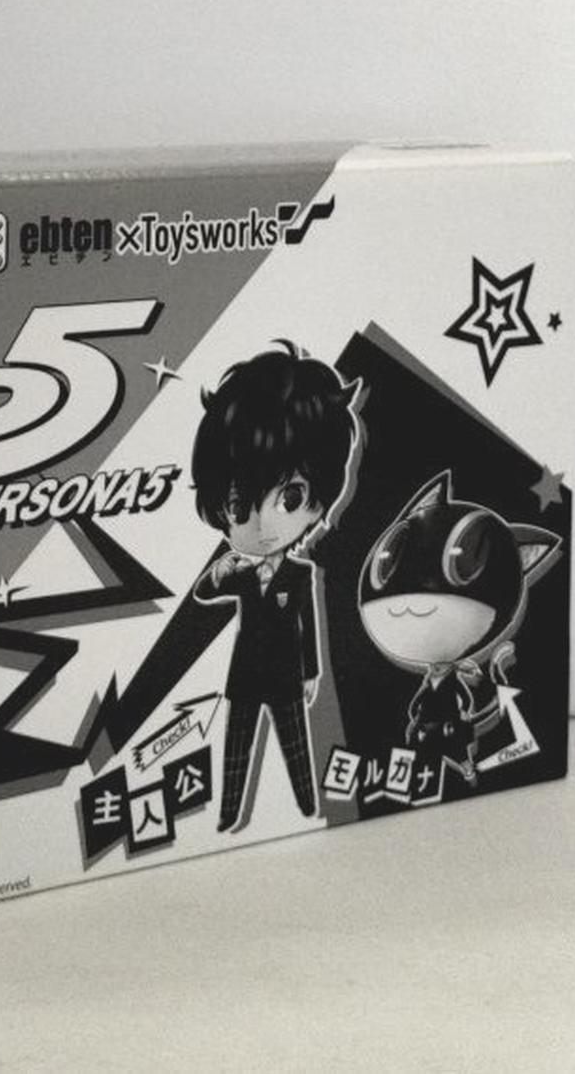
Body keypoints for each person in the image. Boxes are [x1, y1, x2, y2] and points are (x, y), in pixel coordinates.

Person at [191, 342, 359, 831]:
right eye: (240, 505)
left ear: (318, 499)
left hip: (287, 677)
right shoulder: (239, 573)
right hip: (245, 677)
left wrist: (311, 674)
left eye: (290, 498)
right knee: (236, 748)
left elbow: (308, 629)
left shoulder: (300, 574)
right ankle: (229, 815)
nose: (264, 526)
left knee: (296, 746)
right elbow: (204, 594)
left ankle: (307, 806)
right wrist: (219, 571)